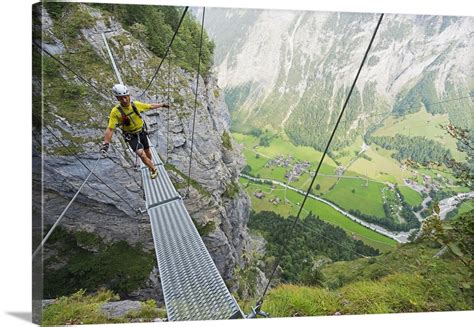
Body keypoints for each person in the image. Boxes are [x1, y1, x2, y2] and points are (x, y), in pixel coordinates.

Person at [100, 84, 169, 179]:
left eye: (125, 97)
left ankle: (150, 164)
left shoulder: (136, 105)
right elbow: (110, 128)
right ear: (117, 99)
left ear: (129, 96)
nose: (124, 100)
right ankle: (153, 169)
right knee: (141, 153)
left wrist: (162, 105)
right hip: (131, 136)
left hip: (141, 132)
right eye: (121, 98)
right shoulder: (115, 112)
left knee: (147, 151)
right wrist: (106, 144)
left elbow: (150, 106)